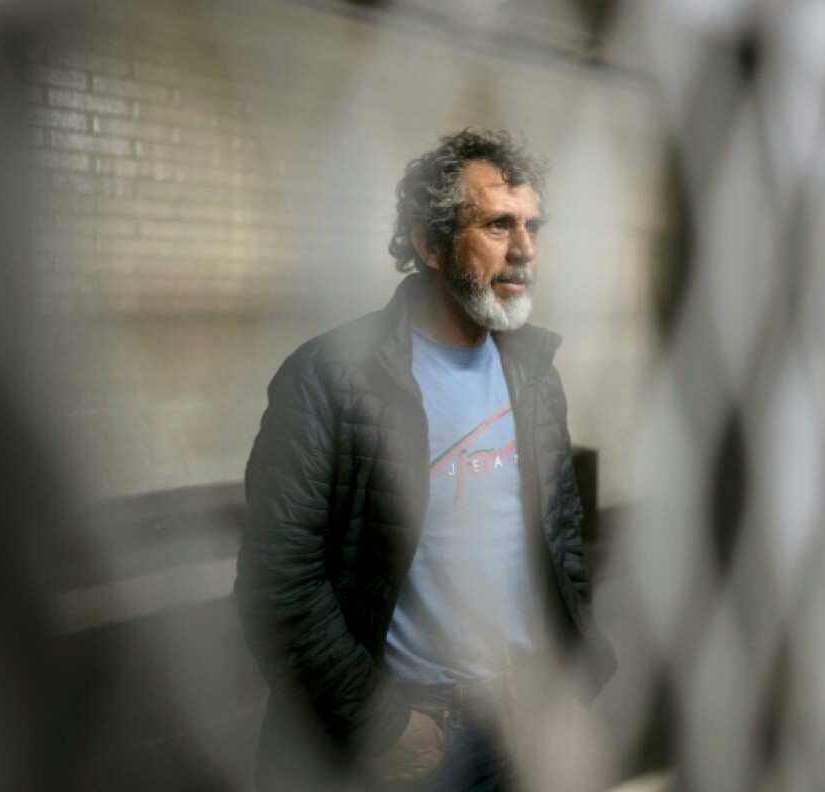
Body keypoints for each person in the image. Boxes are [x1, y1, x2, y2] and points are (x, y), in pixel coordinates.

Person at [235, 128, 616, 792]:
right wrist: (380, 723)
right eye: (498, 225)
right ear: (429, 245)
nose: (525, 249)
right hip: (412, 735)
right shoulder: (330, 378)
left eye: (533, 225)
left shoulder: (535, 374)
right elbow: (277, 584)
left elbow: (564, 539)